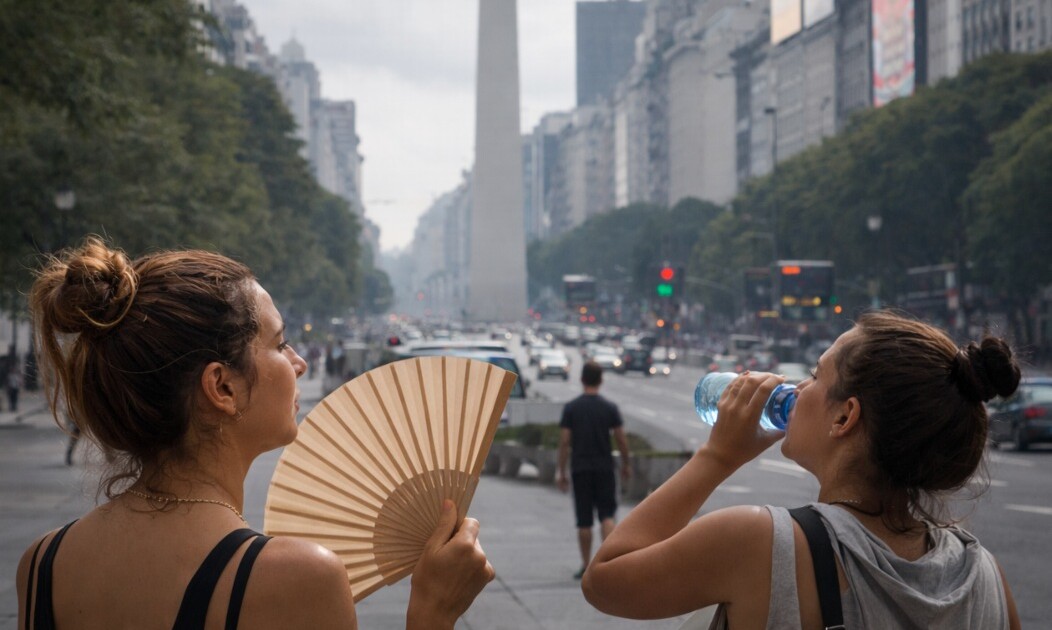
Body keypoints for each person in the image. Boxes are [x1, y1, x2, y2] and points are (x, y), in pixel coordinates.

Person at [17, 236, 494, 629]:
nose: (299, 363)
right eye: (280, 343)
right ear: (222, 386)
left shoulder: (43, 565)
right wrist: (433, 612)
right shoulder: (295, 578)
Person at [582, 311, 1022, 629]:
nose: (798, 387)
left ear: (844, 417)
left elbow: (604, 580)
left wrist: (717, 457)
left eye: (815, 374)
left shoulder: (759, 543)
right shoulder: (984, 575)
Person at [557, 360, 631, 580]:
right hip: (604, 469)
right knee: (607, 515)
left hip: (580, 469)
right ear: (601, 380)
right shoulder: (609, 408)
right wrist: (626, 464)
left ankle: (586, 565)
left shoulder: (572, 408)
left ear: (581, 380)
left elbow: (564, 442)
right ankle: (608, 563)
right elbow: (621, 439)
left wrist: (561, 471)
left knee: (584, 520)